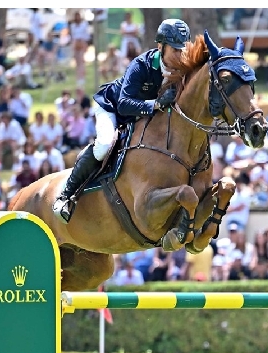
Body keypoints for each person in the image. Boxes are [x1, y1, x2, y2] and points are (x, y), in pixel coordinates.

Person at [52, 19, 191, 224]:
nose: (180, 56)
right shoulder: (141, 65)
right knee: (105, 144)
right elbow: (125, 104)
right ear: (160, 47)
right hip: (112, 108)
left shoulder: (182, 69)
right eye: (175, 50)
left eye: (183, 50)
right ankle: (66, 196)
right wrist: (156, 104)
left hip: (140, 116)